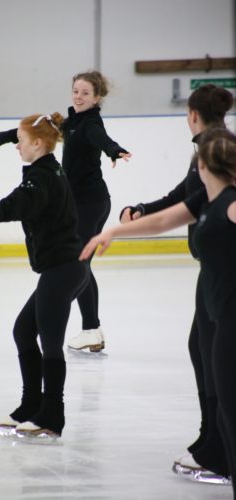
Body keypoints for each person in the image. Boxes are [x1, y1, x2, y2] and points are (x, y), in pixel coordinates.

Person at [79, 127, 236, 498]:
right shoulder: (205, 200)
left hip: (232, 319)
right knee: (229, 414)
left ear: (202, 164)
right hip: (218, 315)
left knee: (233, 412)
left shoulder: (231, 202)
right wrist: (113, 231)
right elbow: (164, 220)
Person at [120, 84, 234, 482]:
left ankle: (218, 449)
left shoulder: (212, 150)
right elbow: (185, 198)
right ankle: (211, 439)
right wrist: (145, 210)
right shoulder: (216, 145)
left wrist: (143, 211)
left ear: (192, 114)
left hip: (222, 275)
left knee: (213, 357)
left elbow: (185, 199)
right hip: (214, 271)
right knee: (202, 351)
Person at [0, 70, 132, 353]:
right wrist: (8, 136)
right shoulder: (72, 121)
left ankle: (91, 328)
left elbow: (101, 138)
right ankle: (91, 328)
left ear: (97, 98)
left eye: (85, 93)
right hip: (82, 201)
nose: (78, 96)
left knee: (80, 261)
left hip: (90, 202)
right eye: (76, 91)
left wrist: (114, 150)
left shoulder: (89, 123)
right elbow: (45, 131)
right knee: (81, 262)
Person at [0, 112, 90, 437]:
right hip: (67, 268)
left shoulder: (40, 178)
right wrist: (8, 135)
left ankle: (51, 416)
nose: (18, 147)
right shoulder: (47, 167)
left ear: (38, 144)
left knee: (50, 343)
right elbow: (28, 136)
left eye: (22, 143)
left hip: (63, 269)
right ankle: (32, 405)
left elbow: (23, 200)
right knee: (23, 331)